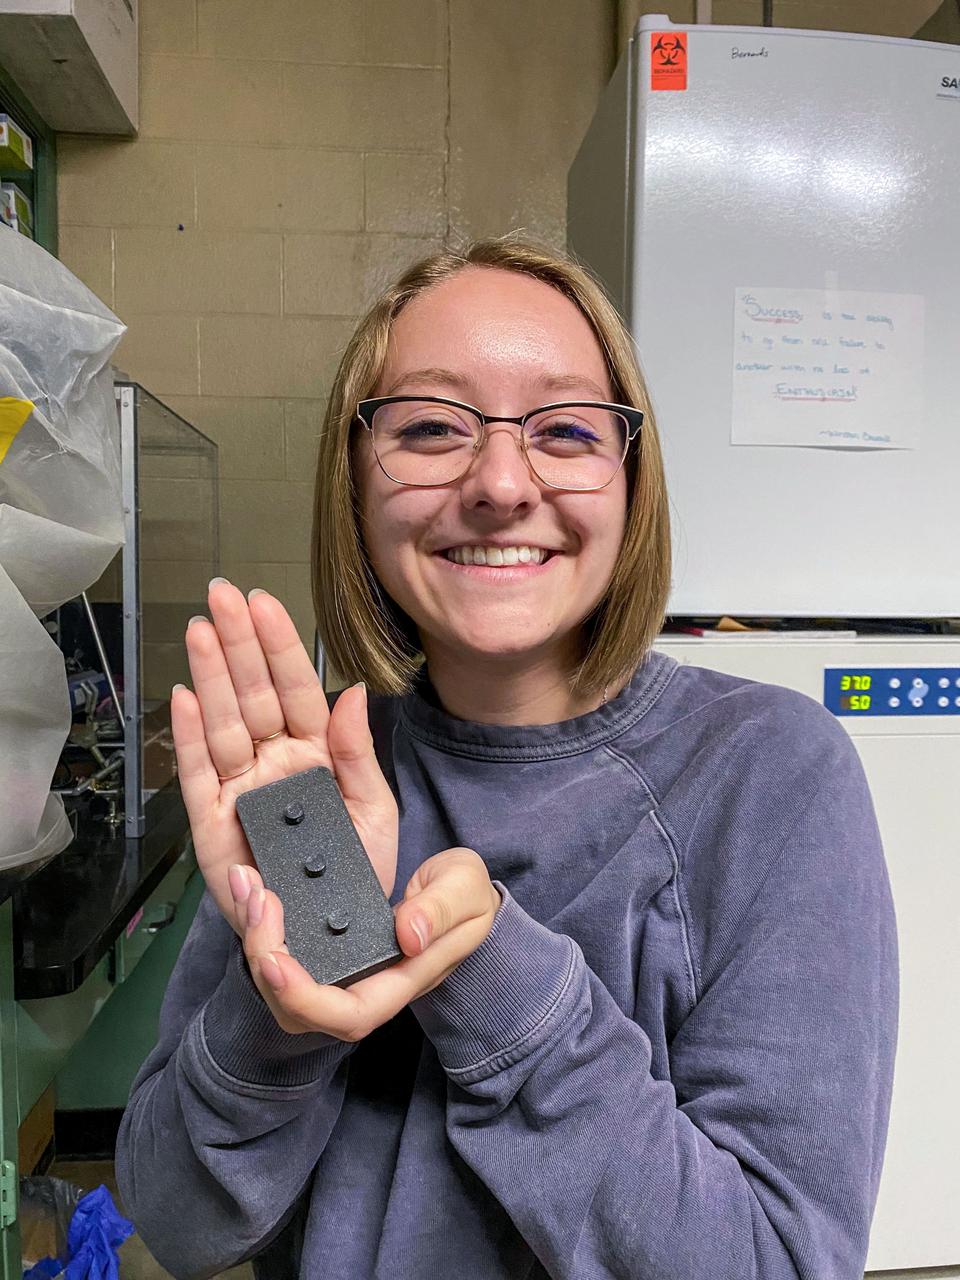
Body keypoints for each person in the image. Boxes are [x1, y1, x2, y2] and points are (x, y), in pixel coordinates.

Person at [115, 238, 898, 1280]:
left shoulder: (774, 775)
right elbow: (179, 1222)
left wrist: (492, 973)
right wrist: (292, 986)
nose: (498, 481)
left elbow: (775, 1261)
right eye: (432, 427)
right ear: (353, 483)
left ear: (630, 480)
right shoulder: (306, 784)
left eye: (566, 427)